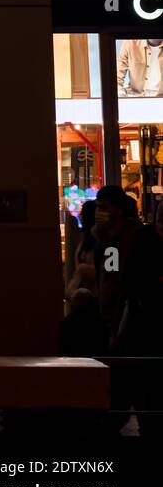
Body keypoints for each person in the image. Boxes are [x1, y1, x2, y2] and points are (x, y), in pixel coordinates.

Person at [92, 185, 163, 433]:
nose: (99, 213)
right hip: (122, 321)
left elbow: (119, 283)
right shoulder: (112, 239)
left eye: (104, 207)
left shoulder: (131, 238)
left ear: (118, 210)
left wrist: (114, 326)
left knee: (132, 387)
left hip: (132, 322)